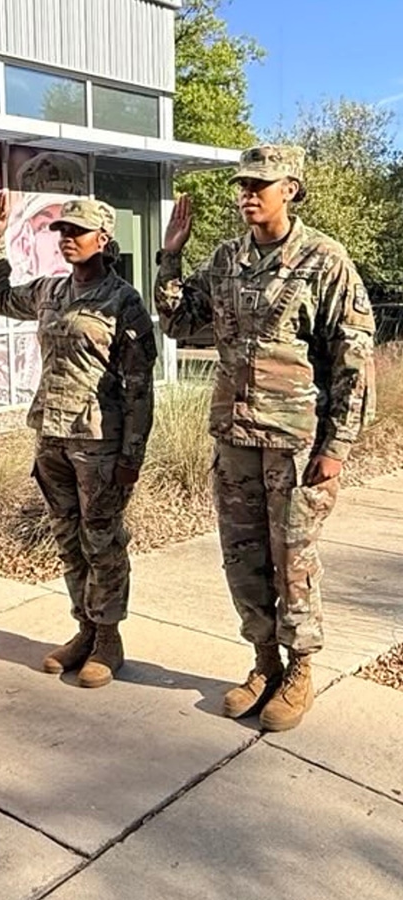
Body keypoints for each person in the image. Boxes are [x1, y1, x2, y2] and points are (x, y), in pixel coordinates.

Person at [156, 145, 376, 732]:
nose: (248, 194)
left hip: (295, 443)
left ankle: (300, 667)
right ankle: (263, 662)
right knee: (242, 557)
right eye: (242, 185)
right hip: (234, 437)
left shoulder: (324, 260)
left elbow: (353, 359)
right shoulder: (226, 259)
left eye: (261, 184)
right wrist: (170, 259)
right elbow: (179, 323)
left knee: (293, 559)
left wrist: (337, 446)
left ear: (291, 189)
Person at [0, 195, 157, 689]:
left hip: (99, 443)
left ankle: (108, 638)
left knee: (103, 542)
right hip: (52, 437)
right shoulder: (49, 292)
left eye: (77, 231)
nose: (66, 239)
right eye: (61, 231)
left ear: (103, 239)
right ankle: (83, 629)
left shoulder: (123, 301)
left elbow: (139, 387)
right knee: (68, 539)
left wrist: (132, 456)